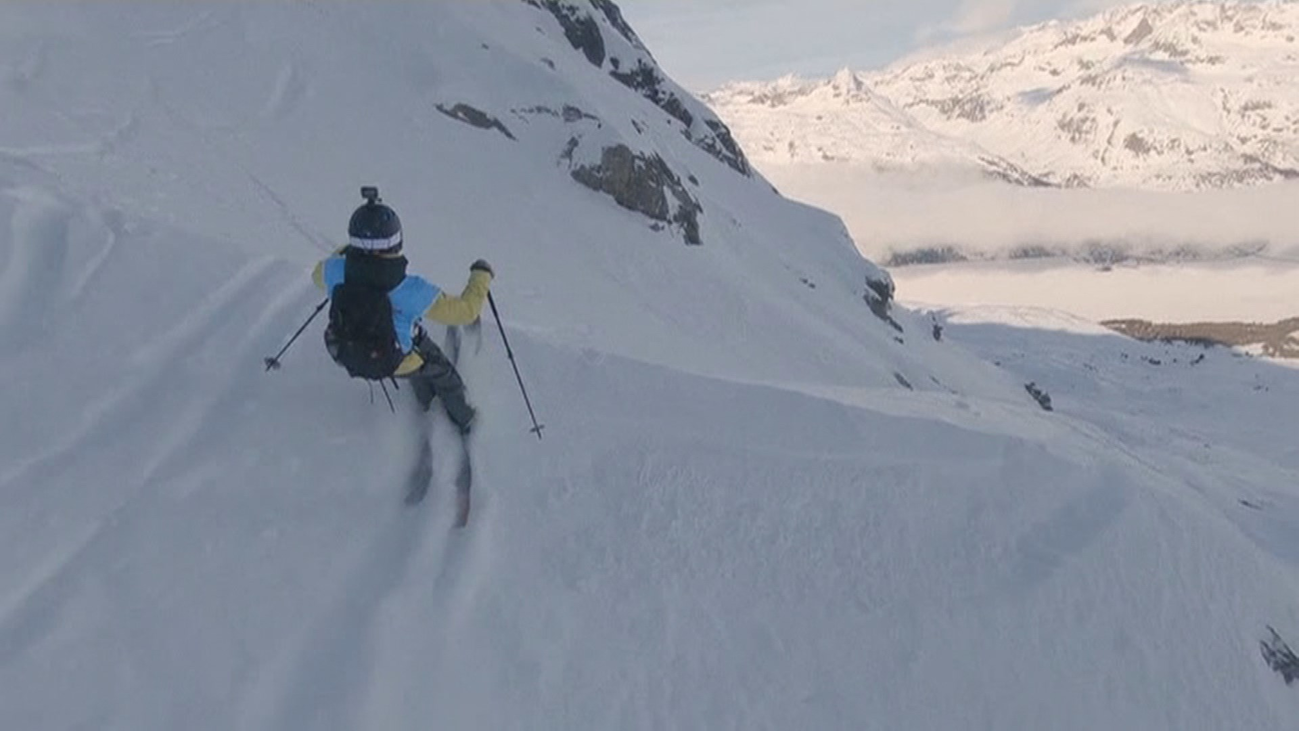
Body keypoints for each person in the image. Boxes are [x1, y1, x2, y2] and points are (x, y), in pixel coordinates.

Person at [312, 187, 493, 433]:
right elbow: (465, 312)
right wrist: (481, 276)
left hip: (350, 349)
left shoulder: (335, 270)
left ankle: (425, 399)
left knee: (417, 362)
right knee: (441, 370)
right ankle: (466, 418)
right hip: (396, 358)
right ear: (396, 242)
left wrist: (348, 252)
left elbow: (316, 275)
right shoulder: (409, 290)